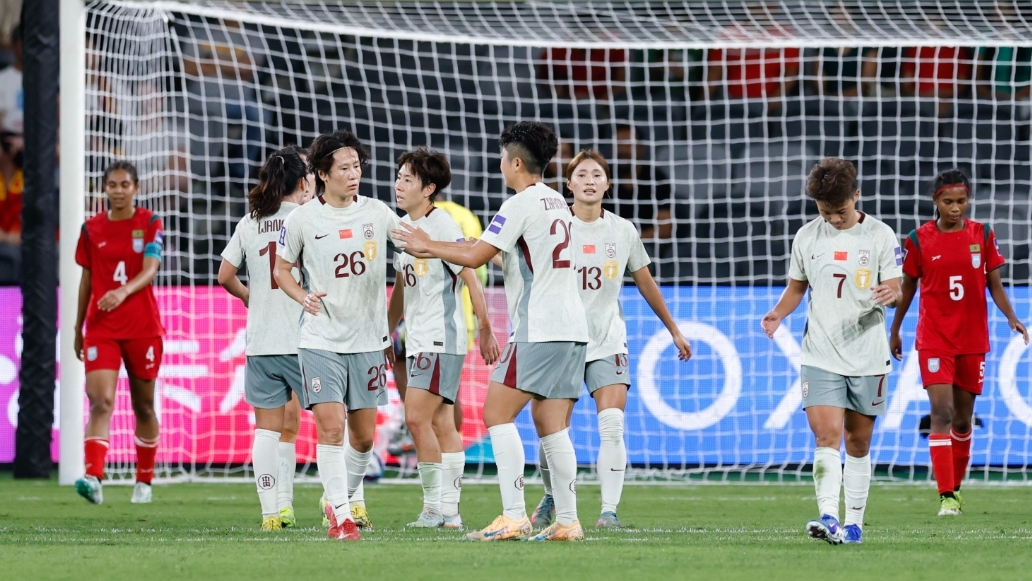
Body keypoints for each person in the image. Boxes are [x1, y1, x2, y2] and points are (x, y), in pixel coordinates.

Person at [393, 121, 590, 542]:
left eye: (503, 158)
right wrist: (466, 246)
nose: (500, 164)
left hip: (539, 328)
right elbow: (525, 258)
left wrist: (428, 245)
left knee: (495, 415)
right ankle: (568, 520)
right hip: (574, 328)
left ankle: (514, 515)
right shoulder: (558, 202)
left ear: (516, 163)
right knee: (552, 424)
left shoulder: (518, 204)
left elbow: (475, 258)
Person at [530, 149, 691, 529]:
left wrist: (673, 329)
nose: (589, 180)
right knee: (554, 430)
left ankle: (608, 511)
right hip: (560, 340)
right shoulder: (552, 227)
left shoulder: (623, 230)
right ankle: (552, 495)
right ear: (568, 184)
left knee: (613, 423)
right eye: (581, 175)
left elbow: (645, 282)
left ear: (607, 184)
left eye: (596, 175)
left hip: (607, 339)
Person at [761, 158, 903, 545]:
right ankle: (829, 517)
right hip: (820, 352)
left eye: (840, 211)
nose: (834, 219)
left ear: (856, 196)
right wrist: (778, 313)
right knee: (826, 436)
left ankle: (854, 525)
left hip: (867, 354)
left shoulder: (880, 235)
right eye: (826, 212)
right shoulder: (807, 236)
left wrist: (890, 294)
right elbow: (797, 287)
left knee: (858, 443)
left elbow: (897, 287)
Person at [274, 129, 401, 541]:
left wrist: (453, 248)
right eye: (344, 168)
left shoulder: (378, 212)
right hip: (320, 339)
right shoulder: (301, 219)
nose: (354, 174)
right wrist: (302, 296)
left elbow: (411, 245)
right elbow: (281, 269)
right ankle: (342, 519)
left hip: (367, 340)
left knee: (362, 439)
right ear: (322, 174)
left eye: (357, 166)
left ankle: (337, 498)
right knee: (331, 428)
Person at [889, 169, 1029, 517]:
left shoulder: (982, 234)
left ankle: (956, 486)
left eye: (961, 201)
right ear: (935, 201)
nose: (955, 208)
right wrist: (895, 329)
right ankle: (946, 495)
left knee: (963, 421)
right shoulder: (918, 239)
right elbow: (908, 288)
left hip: (972, 339)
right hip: (934, 338)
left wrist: (1011, 316)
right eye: (948, 201)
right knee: (942, 413)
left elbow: (994, 284)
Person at [387, 148, 500, 529]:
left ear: (428, 188)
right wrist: (387, 329)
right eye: (398, 177)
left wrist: (485, 326)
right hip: (420, 338)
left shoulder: (442, 225)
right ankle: (450, 512)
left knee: (416, 417)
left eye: (407, 179)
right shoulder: (404, 227)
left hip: (440, 338)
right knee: (441, 423)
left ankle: (435, 508)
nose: (399, 185)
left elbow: (470, 274)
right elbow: (402, 287)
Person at [217, 146, 312, 530]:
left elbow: (224, 275)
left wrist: (248, 297)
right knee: (332, 424)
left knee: (269, 430)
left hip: (261, 341)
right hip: (306, 339)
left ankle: (273, 512)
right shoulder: (307, 219)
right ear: (302, 182)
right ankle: (343, 505)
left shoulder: (250, 222)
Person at [73, 161, 166, 505]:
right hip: (101, 328)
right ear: (104, 189)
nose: (118, 190)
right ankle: (93, 478)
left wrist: (123, 291)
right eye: (112, 184)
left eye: (124, 184)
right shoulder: (91, 229)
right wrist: (77, 327)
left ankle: (144, 481)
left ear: (135, 188)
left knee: (144, 407)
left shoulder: (150, 222)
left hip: (142, 327)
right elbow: (86, 280)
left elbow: (151, 268)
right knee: (101, 402)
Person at [609, 124, 671, 240]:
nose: (622, 150)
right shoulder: (602, 180)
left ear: (641, 148)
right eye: (618, 145)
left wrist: (630, 241)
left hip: (646, 245)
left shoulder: (657, 179)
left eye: (628, 145)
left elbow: (665, 229)